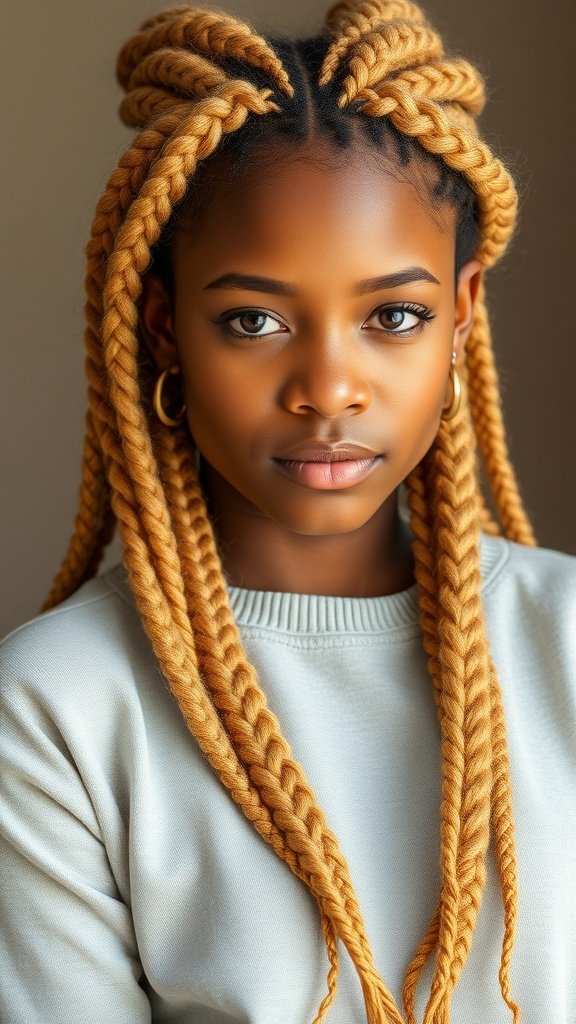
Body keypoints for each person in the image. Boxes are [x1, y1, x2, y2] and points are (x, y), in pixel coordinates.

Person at [1, 1, 574, 1022]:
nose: (328, 389)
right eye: (253, 320)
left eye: (394, 315)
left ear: (460, 317)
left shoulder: (567, 639)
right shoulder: (57, 708)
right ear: (165, 328)